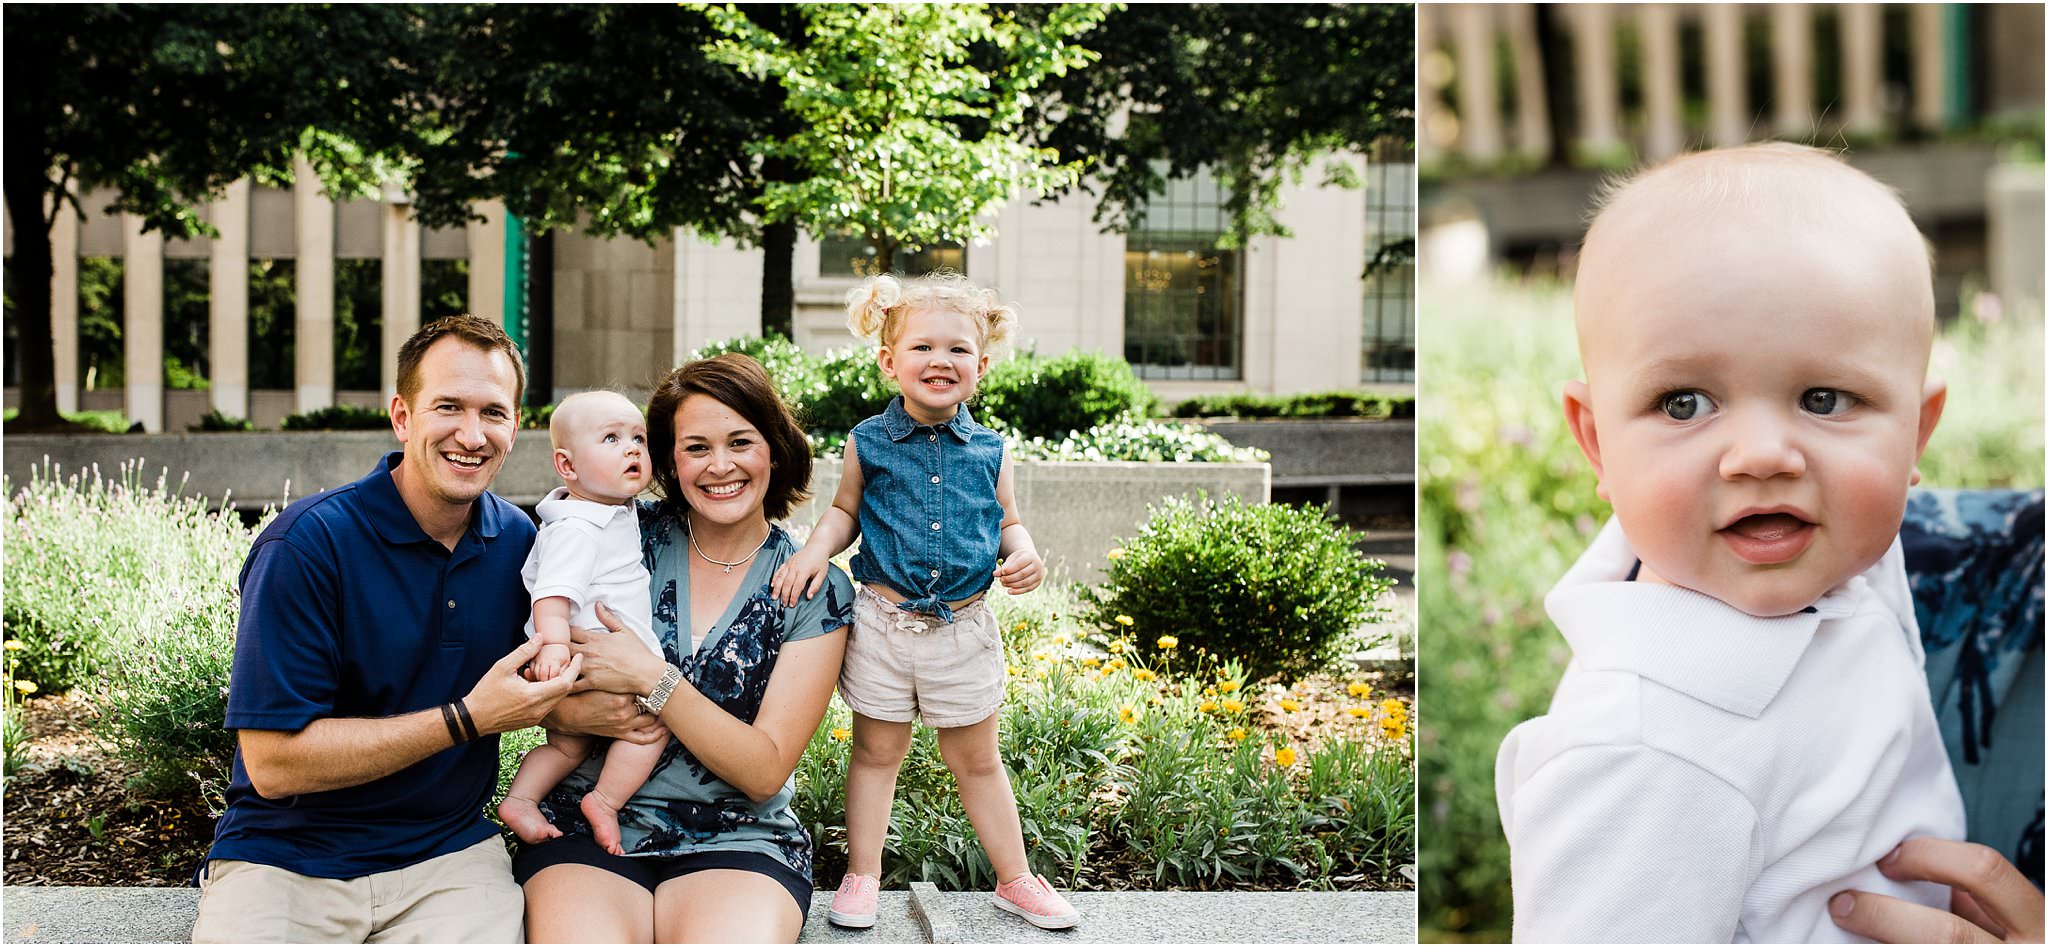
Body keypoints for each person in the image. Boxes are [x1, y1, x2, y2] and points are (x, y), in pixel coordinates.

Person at [1494, 144, 1964, 942]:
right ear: (1598, 443)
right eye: (1683, 403)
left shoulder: (1853, 552)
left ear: (1915, 434)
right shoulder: (1638, 755)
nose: (1761, 454)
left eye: (1824, 398)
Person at [192, 315, 581, 943]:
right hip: (285, 862)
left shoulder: (525, 546)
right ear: (402, 417)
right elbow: (274, 765)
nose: (471, 434)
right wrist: (468, 718)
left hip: (450, 860)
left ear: (515, 428)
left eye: (493, 413)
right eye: (448, 407)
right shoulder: (308, 544)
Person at [772, 272, 1078, 931]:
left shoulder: (993, 450)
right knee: (876, 753)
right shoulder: (868, 441)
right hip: (884, 624)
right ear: (889, 361)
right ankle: (863, 875)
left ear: (982, 365)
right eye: (922, 347)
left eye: (958, 349)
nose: (941, 360)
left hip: (963, 629)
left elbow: (1007, 521)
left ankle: (1016, 877)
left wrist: (1022, 550)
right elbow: (844, 510)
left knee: (977, 758)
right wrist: (811, 553)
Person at [514, 353, 853, 943]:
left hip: (738, 835)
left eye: (740, 442)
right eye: (696, 447)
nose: (720, 466)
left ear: (774, 448)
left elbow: (764, 769)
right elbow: (527, 675)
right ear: (668, 457)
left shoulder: (812, 588)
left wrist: (654, 680)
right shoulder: (614, 534)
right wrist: (569, 707)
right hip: (585, 823)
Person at [498, 390, 668, 856]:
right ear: (568, 467)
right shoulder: (578, 526)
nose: (632, 448)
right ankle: (605, 801)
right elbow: (551, 592)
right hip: (589, 656)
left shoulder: (608, 510)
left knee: (568, 748)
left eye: (639, 438)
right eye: (611, 438)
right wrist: (553, 644)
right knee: (655, 723)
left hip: (593, 657)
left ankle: (521, 799)